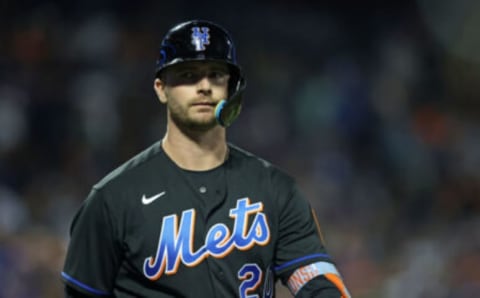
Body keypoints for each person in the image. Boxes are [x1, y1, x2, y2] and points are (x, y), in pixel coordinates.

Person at [61, 19, 351, 298]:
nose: (204, 86)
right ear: (161, 89)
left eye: (216, 75)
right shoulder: (112, 200)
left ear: (231, 88)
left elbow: (315, 279)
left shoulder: (276, 190)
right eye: (188, 75)